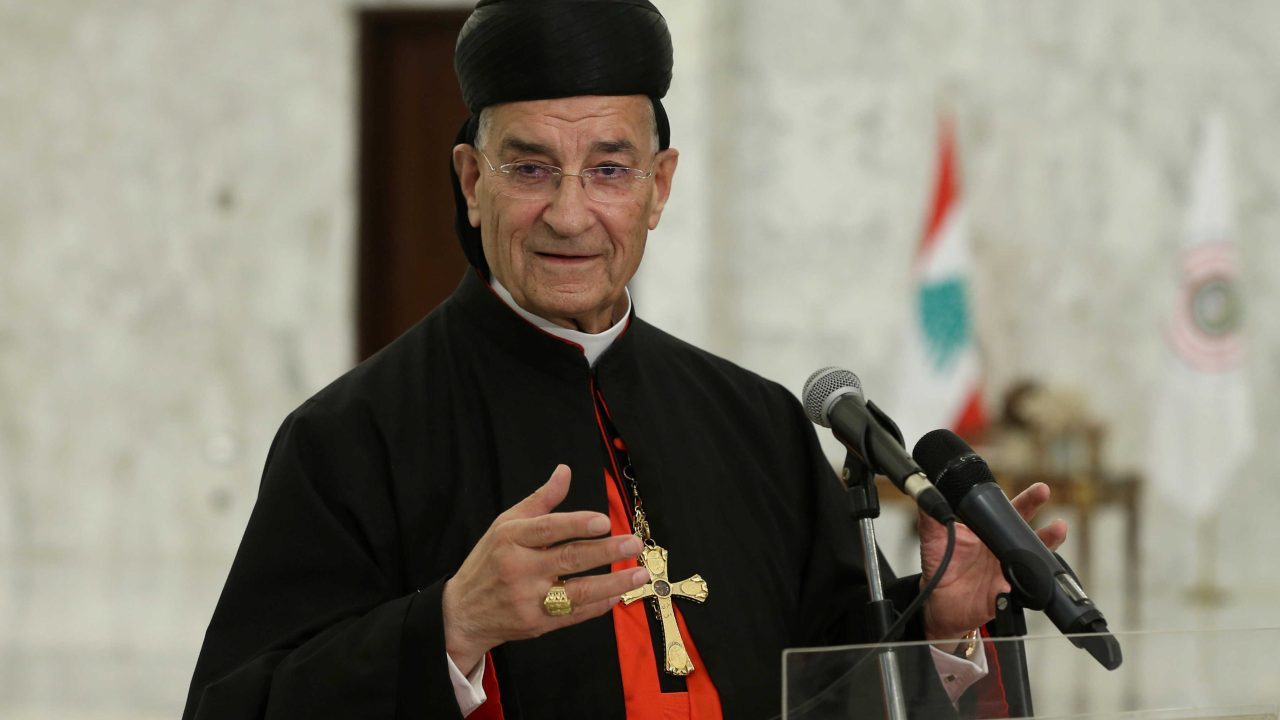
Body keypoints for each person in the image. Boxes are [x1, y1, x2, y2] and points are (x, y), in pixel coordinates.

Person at [182, 1, 1067, 718]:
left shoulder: (756, 424)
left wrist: (945, 626)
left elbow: (836, 692)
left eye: (609, 171)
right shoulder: (353, 437)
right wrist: (451, 628)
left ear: (660, 186)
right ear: (469, 180)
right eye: (530, 170)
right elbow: (234, 707)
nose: (570, 215)